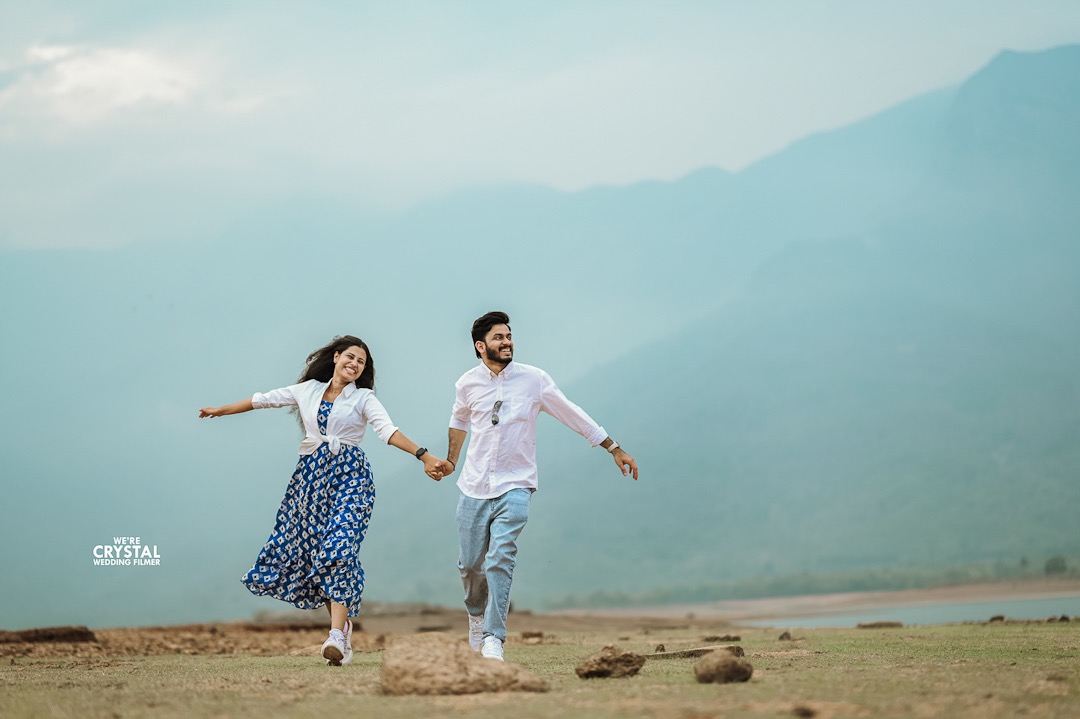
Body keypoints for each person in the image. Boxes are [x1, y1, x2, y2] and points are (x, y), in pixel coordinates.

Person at [199, 335, 448, 666]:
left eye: (361, 361)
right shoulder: (307, 391)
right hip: (310, 481)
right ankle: (342, 630)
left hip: (351, 479)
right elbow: (262, 400)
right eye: (350, 356)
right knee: (317, 556)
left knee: (339, 549)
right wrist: (221, 410)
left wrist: (424, 455)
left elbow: (387, 431)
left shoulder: (364, 398)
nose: (354, 364)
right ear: (335, 357)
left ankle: (335, 635)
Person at [441, 311, 639, 661]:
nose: (507, 342)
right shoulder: (466, 383)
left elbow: (571, 412)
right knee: (470, 565)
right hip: (472, 485)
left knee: (501, 557)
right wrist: (451, 460)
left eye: (509, 335)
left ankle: (493, 639)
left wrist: (612, 447)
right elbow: (459, 420)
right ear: (480, 345)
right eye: (499, 337)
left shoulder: (534, 380)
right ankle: (476, 615)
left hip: (516, 484)